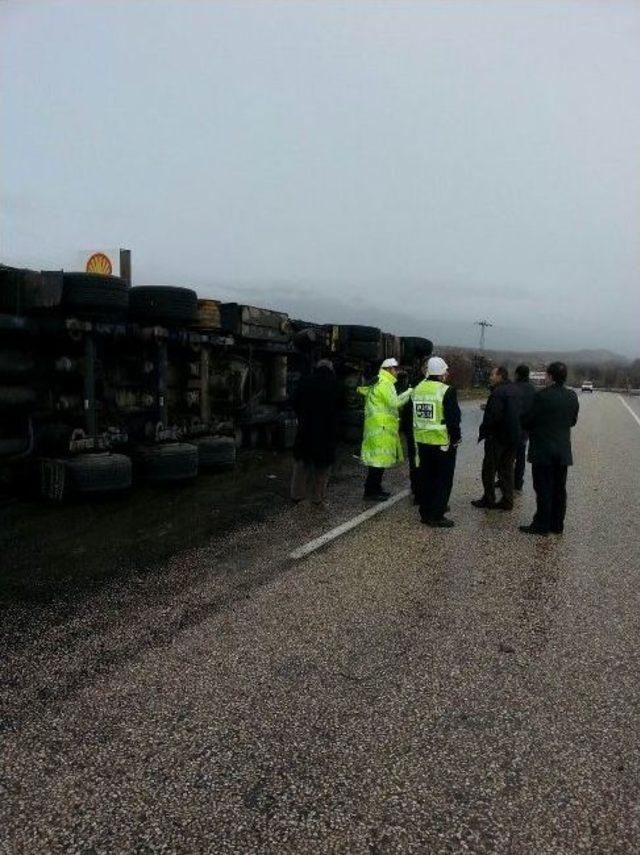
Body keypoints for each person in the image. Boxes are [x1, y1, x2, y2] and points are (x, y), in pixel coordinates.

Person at [520, 361, 579, 536]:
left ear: (550, 376)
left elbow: (527, 420)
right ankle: (557, 524)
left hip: (543, 450)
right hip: (562, 451)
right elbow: (573, 421)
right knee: (560, 488)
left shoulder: (541, 396)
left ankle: (541, 524)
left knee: (543, 487)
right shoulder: (572, 396)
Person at [410, 356, 461, 527]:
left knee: (426, 478)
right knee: (443, 480)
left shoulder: (417, 389)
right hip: (442, 444)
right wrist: (456, 439)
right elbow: (453, 419)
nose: (447, 373)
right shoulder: (447, 390)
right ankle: (437, 515)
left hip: (422, 442)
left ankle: (425, 513)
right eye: (445, 371)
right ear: (440, 372)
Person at [358, 357, 411, 501]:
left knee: (378, 460)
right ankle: (371, 492)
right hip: (380, 428)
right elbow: (395, 403)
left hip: (377, 427)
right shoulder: (384, 384)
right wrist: (410, 392)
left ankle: (375, 488)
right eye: (395, 369)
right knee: (377, 462)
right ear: (389, 370)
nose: (397, 372)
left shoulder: (380, 381)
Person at [290, 359, 340, 505]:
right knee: (323, 466)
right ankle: (318, 497)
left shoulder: (306, 381)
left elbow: (295, 402)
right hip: (327, 431)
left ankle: (297, 494)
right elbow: (342, 406)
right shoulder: (336, 384)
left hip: (306, 429)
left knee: (302, 463)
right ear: (330, 369)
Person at [471, 366, 522, 511]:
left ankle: (489, 498)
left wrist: (485, 432)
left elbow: (493, 416)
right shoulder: (516, 390)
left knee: (489, 469)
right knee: (506, 469)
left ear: (500, 376)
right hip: (513, 437)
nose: (490, 377)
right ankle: (507, 500)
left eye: (493, 374)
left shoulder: (498, 393)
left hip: (497, 437)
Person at [399, 355, 427, 503]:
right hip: (422, 432)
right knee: (423, 463)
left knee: (415, 462)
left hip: (413, 430)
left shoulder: (414, 383)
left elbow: (407, 409)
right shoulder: (426, 385)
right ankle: (421, 493)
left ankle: (416, 490)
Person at [514, 364, 536, 492]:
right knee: (521, 454)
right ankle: (518, 481)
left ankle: (504, 479)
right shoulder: (532, 389)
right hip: (525, 426)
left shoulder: (512, 387)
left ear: (517, 374)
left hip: (512, 425)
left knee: (508, 455)